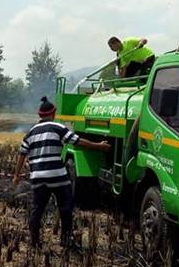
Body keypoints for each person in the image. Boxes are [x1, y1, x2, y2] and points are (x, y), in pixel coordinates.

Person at [13, 96, 109, 248]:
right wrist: (99, 146)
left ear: (39, 115)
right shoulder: (58, 127)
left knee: (38, 209)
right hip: (57, 175)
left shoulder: (30, 133)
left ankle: (34, 241)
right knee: (65, 207)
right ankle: (65, 240)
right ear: (54, 113)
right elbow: (78, 141)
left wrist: (16, 175)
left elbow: (22, 154)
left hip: (38, 178)